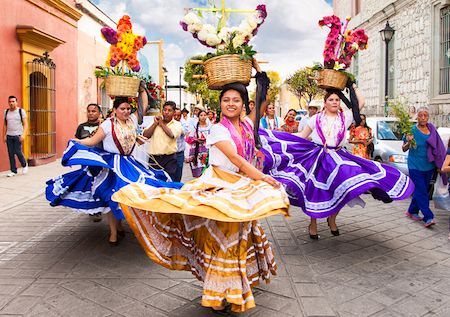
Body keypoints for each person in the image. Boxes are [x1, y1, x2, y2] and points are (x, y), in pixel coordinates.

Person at [112, 60, 289, 314]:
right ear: (220, 104)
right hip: (219, 186)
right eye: (226, 100)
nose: (230, 104)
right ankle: (217, 291)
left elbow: (262, 101)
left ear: (243, 105)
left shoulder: (249, 125)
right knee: (222, 238)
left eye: (236, 100)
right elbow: (236, 159)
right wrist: (261, 176)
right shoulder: (217, 129)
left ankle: (233, 286)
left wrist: (258, 71)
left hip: (241, 186)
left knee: (240, 236)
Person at [259, 84, 414, 240]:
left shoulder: (345, 117)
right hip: (318, 156)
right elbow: (302, 135)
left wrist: (353, 87)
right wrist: (275, 136)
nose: (335, 102)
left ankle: (332, 219)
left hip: (338, 156)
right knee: (315, 191)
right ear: (325, 103)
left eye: (337, 100)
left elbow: (361, 104)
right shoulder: (315, 119)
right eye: (331, 100)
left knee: (342, 188)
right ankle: (313, 223)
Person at [46, 86, 183, 246]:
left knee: (131, 193)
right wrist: (79, 142)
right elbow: (93, 140)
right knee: (111, 195)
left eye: (128, 109)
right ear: (115, 110)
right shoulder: (107, 124)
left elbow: (143, 106)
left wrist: (142, 90)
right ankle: (113, 232)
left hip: (129, 163)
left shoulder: (132, 120)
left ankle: (119, 224)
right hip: (111, 165)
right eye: (122, 109)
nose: (126, 111)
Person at [403, 107, 446, 227]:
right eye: (420, 115)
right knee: (422, 191)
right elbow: (404, 148)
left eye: (425, 115)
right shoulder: (411, 130)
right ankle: (428, 217)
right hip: (415, 165)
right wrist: (408, 142)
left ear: (428, 117)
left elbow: (438, 146)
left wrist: (439, 163)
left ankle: (412, 210)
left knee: (422, 189)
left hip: (429, 165)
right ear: (417, 116)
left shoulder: (432, 129)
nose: (423, 118)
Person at [75, 103, 104, 222]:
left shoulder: (103, 126)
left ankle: (98, 209)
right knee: (88, 184)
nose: (91, 113)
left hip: (99, 161)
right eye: (89, 111)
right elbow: (77, 142)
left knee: (99, 184)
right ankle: (92, 208)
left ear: (98, 113)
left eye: (93, 111)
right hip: (86, 161)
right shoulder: (81, 127)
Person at [144, 101, 182, 181]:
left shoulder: (176, 124)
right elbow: (145, 134)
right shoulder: (155, 122)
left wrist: (161, 124)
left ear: (173, 112)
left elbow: (172, 135)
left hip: (169, 159)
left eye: (169, 110)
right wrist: (155, 124)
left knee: (168, 181)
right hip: (154, 158)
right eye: (164, 110)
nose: (166, 112)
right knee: (154, 181)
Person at [3, 96, 28, 177]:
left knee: (17, 151)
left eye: (13, 101)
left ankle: (24, 164)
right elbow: (4, 125)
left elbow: (25, 124)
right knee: (10, 153)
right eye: (10, 101)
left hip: (18, 135)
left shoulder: (21, 111)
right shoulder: (6, 112)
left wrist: (23, 134)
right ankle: (13, 171)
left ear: (16, 102)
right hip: (9, 136)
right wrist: (4, 135)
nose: (11, 103)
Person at [186, 109, 212, 177]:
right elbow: (189, 138)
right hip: (197, 151)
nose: (203, 117)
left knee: (207, 171)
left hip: (207, 150)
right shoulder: (194, 127)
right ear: (198, 117)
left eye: (204, 115)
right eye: (201, 115)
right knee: (199, 173)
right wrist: (196, 139)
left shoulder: (210, 126)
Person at [173, 108, 189, 182]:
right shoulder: (168, 123)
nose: (176, 117)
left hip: (179, 153)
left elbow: (181, 132)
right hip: (170, 153)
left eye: (178, 115)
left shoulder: (183, 124)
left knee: (178, 174)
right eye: (174, 115)